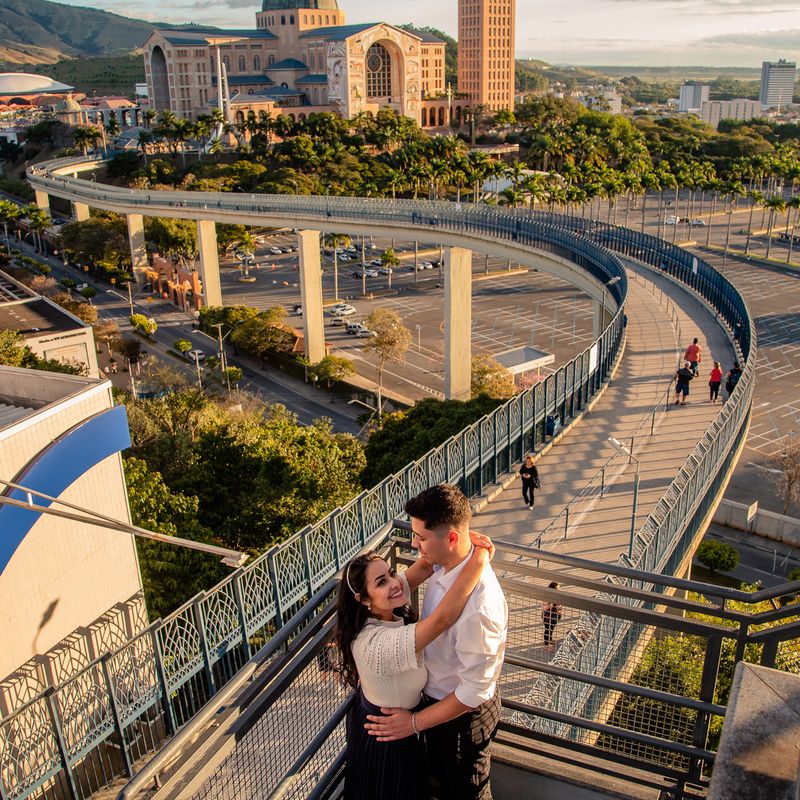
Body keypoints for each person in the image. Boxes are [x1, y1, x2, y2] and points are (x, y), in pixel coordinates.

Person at [366, 484, 508, 800]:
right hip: (438, 705)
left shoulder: (479, 607)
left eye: (421, 537)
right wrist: (480, 551)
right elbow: (420, 572)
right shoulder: (447, 562)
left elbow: (475, 691)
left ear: (452, 538)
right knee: (439, 785)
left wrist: (414, 723)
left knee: (466, 791)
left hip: (461, 716)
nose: (414, 544)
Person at [336, 530, 494, 800]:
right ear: (363, 600)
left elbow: (425, 564)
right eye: (382, 582)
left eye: (391, 573)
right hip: (388, 736)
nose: (395, 583)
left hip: (393, 724)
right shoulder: (377, 644)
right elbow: (442, 618)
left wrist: (461, 537)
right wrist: (479, 559)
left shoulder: (383, 606)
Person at [542, 582, 562, 651]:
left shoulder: (557, 596)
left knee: (551, 628)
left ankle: (550, 639)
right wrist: (551, 605)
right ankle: (546, 646)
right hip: (548, 617)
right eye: (558, 589)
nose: (559, 590)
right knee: (548, 630)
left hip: (554, 616)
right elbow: (544, 608)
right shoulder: (548, 597)